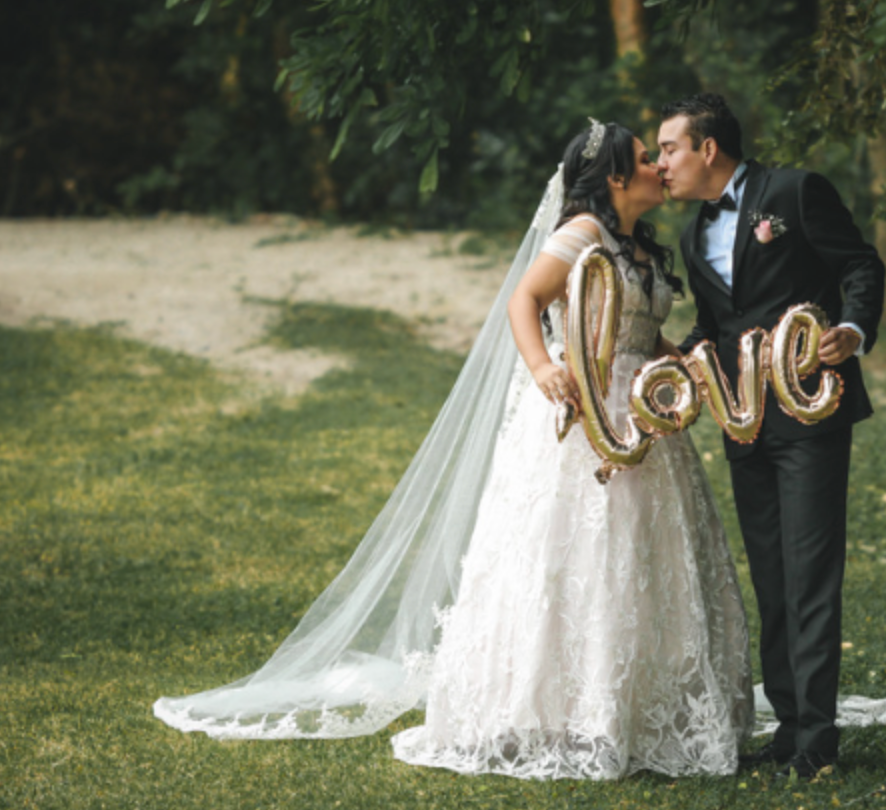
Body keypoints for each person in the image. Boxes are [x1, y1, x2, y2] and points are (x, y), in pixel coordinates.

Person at [154, 120, 754, 780]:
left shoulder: (637, 245)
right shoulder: (581, 236)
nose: (657, 168)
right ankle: (564, 710)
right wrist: (543, 369)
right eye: (646, 159)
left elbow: (641, 333)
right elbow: (525, 301)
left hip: (638, 416)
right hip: (582, 410)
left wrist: (682, 365)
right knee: (576, 554)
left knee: (640, 553)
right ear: (614, 177)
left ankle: (638, 707)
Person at [656, 93, 886, 779]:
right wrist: (672, 358)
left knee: (811, 574)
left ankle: (817, 742)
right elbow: (718, 325)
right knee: (772, 577)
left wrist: (852, 329)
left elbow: (861, 266)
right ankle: (788, 726)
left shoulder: (794, 192)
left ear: (707, 148)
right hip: (743, 422)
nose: (660, 162)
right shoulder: (695, 236)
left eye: (668, 148)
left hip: (812, 411)